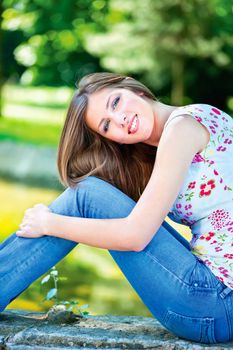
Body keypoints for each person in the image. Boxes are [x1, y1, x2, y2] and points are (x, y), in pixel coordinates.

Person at [0, 72, 232, 344]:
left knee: (86, 195)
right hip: (216, 300)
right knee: (89, 193)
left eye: (116, 102)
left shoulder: (183, 127)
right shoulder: (190, 123)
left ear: (133, 87)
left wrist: (47, 223)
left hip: (215, 303)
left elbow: (135, 236)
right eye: (107, 126)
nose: (120, 119)